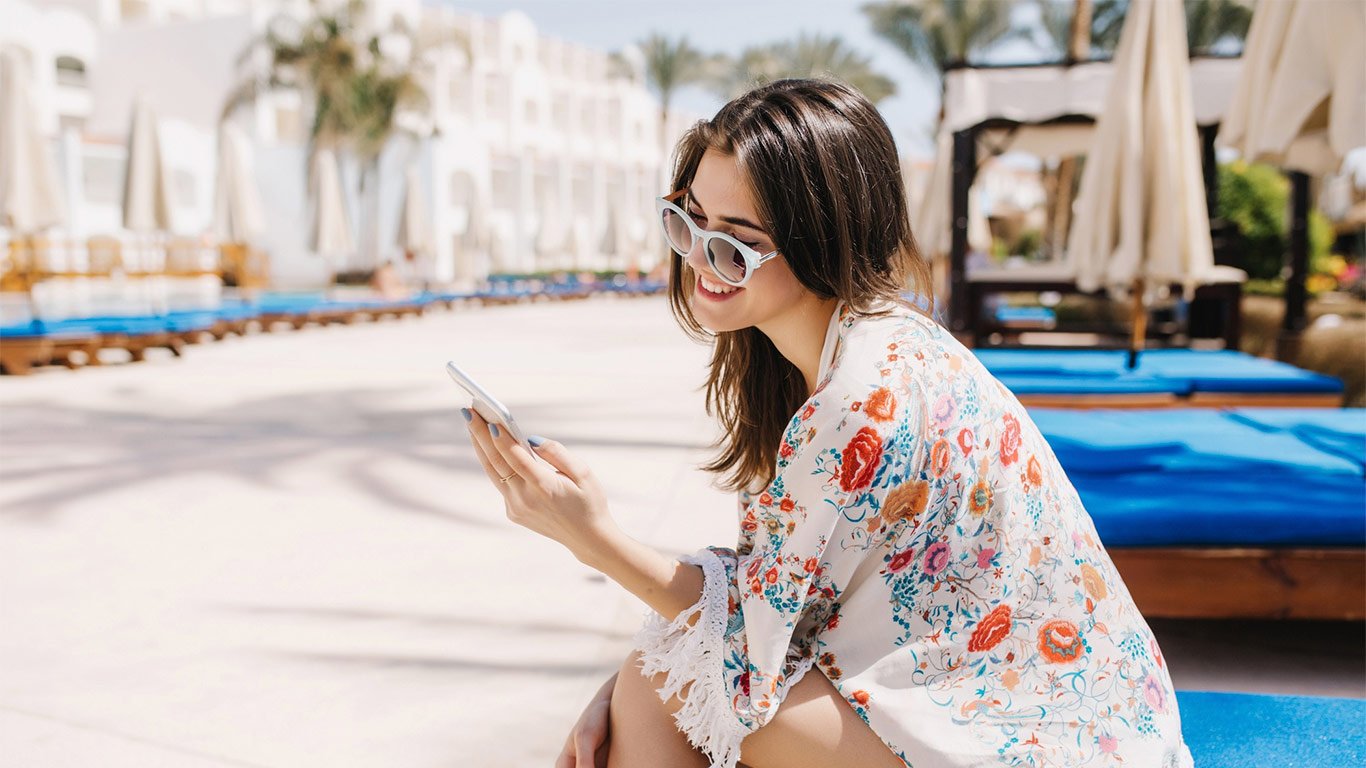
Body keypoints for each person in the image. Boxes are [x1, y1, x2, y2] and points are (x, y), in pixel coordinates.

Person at [462, 79, 1190, 768]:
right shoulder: (869, 343)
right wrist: (627, 676)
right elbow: (777, 594)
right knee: (657, 675)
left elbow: (749, 638)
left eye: (734, 246)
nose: (702, 262)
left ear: (819, 238)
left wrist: (592, 539)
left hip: (1032, 738)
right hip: (1059, 711)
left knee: (661, 686)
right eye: (687, 223)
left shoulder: (858, 399)